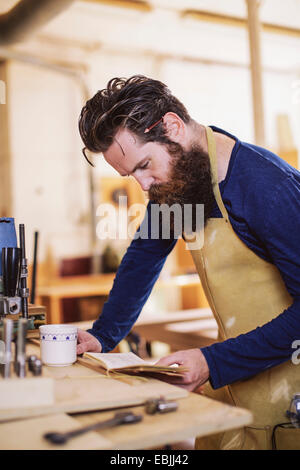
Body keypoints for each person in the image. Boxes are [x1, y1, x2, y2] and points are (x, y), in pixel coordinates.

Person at [77, 75, 300, 450]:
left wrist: (211, 362)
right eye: (131, 174)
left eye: (144, 165)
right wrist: (103, 335)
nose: (143, 185)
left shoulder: (267, 188)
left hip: (288, 396)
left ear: (173, 126)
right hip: (230, 382)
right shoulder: (182, 188)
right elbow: (144, 257)